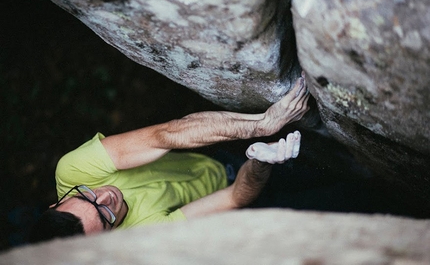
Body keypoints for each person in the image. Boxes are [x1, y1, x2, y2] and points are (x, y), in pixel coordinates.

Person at [29, 75, 309, 243]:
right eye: (105, 217)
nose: (106, 198)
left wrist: (263, 125)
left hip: (215, 157)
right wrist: (261, 161)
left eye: (86, 197)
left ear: (58, 202)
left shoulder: (72, 171)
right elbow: (234, 198)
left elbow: (164, 135)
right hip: (243, 203)